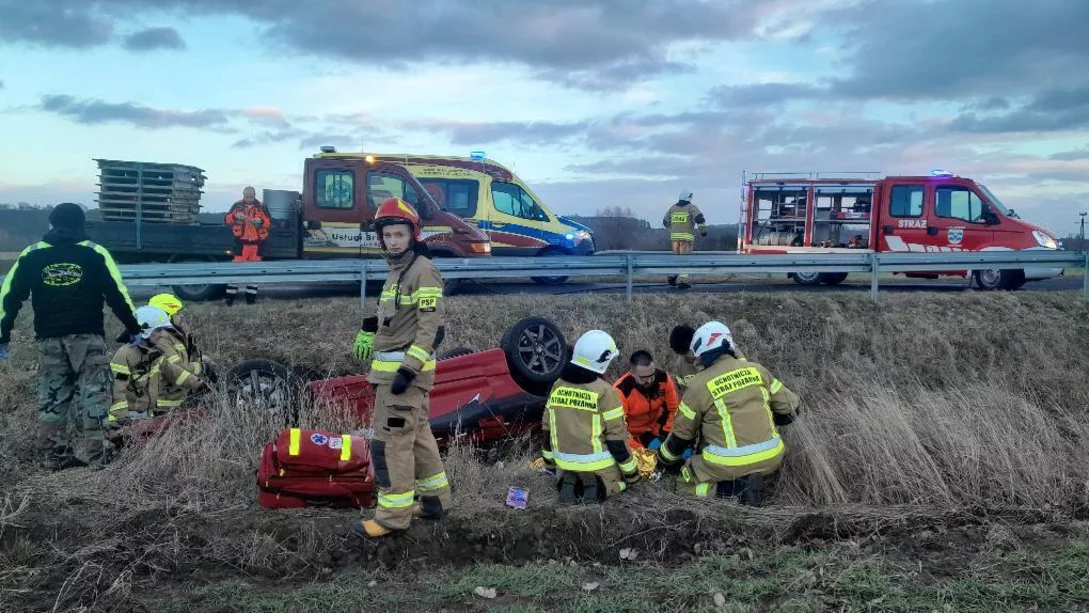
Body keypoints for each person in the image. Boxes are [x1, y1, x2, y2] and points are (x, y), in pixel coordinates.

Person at [0, 202, 142, 469]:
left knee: (53, 396)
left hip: (48, 339)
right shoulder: (94, 253)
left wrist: (2, 334)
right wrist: (133, 328)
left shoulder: (31, 255)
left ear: (51, 224)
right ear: (81, 225)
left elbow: (8, 296)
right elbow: (117, 293)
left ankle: (55, 457)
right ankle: (99, 457)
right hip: (87, 337)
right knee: (95, 395)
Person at [351, 197, 451, 538]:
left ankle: (392, 518)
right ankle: (436, 501)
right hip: (393, 375)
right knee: (419, 436)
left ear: (413, 234)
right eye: (388, 235)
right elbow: (397, 319)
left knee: (389, 443)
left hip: (403, 378)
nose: (393, 240)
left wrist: (408, 369)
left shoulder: (422, 270)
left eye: (399, 234)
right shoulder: (398, 271)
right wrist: (369, 328)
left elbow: (431, 327)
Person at [657, 321, 800, 505]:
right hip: (772, 456)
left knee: (685, 485)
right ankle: (756, 477)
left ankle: (736, 490)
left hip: (728, 462)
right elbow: (792, 409)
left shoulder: (698, 384)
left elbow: (681, 437)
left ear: (701, 352)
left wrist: (663, 459)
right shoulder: (756, 369)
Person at [540, 330, 641, 504]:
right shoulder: (605, 392)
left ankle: (568, 480)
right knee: (620, 482)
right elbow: (616, 440)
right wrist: (632, 476)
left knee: (571, 472)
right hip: (598, 465)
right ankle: (600, 487)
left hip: (563, 462)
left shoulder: (557, 385)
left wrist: (550, 467)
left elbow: (547, 430)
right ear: (602, 361)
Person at [108, 305, 207, 427]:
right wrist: (122, 420)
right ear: (145, 331)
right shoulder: (124, 355)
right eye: (158, 330)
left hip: (147, 415)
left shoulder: (154, 353)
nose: (163, 334)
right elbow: (117, 391)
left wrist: (199, 385)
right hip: (128, 419)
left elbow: (175, 372)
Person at [612, 350, 680, 450]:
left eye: (652, 376)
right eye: (643, 378)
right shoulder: (621, 390)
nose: (649, 381)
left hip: (657, 430)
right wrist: (640, 450)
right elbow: (618, 429)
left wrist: (665, 434)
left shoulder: (663, 379)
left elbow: (673, 409)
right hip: (632, 436)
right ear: (632, 373)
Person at [224, 186, 271, 306]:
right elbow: (227, 219)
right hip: (241, 245)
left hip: (256, 245)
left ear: (254, 195)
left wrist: (259, 221)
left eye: (251, 196)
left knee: (254, 275)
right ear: (243, 195)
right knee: (235, 274)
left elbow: (269, 222)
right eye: (247, 196)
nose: (249, 198)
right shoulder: (237, 205)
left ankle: (250, 301)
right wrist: (235, 217)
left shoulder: (262, 206)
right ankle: (229, 301)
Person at [662, 190, 708, 289]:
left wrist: (674, 228)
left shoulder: (673, 208)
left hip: (674, 239)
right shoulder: (691, 207)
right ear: (689, 197)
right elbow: (700, 218)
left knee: (676, 259)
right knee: (685, 260)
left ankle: (672, 276)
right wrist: (703, 231)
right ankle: (683, 281)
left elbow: (665, 221)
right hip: (686, 239)